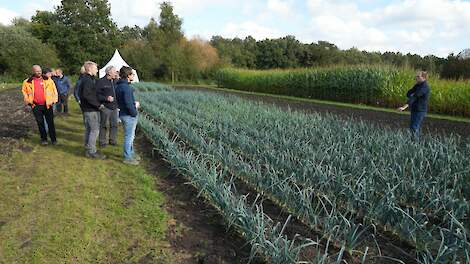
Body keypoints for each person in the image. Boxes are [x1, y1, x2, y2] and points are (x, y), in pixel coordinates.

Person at [21, 65, 58, 145]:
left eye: (40, 70)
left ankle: (53, 140)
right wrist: (29, 101)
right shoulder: (27, 82)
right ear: (33, 71)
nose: (39, 72)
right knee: (40, 123)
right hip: (36, 106)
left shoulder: (48, 80)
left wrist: (54, 101)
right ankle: (44, 139)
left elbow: (54, 90)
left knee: (50, 123)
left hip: (48, 105)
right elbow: (24, 92)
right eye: (37, 71)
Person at [79, 61, 106, 159]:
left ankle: (88, 149)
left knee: (89, 130)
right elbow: (87, 95)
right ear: (89, 69)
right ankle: (92, 151)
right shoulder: (87, 80)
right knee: (94, 130)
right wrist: (98, 105)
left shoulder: (87, 79)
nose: (97, 70)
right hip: (90, 109)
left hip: (88, 109)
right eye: (96, 68)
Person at [116, 66, 141, 165]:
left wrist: (133, 103)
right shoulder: (126, 88)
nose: (133, 76)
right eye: (132, 74)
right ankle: (127, 157)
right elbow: (127, 103)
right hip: (128, 115)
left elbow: (124, 101)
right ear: (128, 75)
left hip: (123, 113)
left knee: (131, 136)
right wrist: (134, 112)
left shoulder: (119, 86)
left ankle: (131, 153)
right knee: (129, 137)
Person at [398, 71, 430, 140]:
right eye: (416, 76)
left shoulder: (424, 87)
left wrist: (404, 107)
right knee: (413, 127)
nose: (416, 78)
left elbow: (414, 97)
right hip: (414, 109)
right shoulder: (417, 85)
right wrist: (413, 93)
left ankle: (414, 142)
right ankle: (415, 141)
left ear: (424, 78)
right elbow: (408, 93)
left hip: (420, 110)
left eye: (418, 77)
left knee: (414, 127)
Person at [96, 66, 119, 147]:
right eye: (114, 71)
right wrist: (106, 98)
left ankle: (112, 140)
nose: (116, 73)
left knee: (114, 124)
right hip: (105, 106)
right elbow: (97, 95)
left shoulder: (116, 81)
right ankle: (102, 141)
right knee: (103, 124)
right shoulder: (101, 82)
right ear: (109, 73)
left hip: (114, 107)